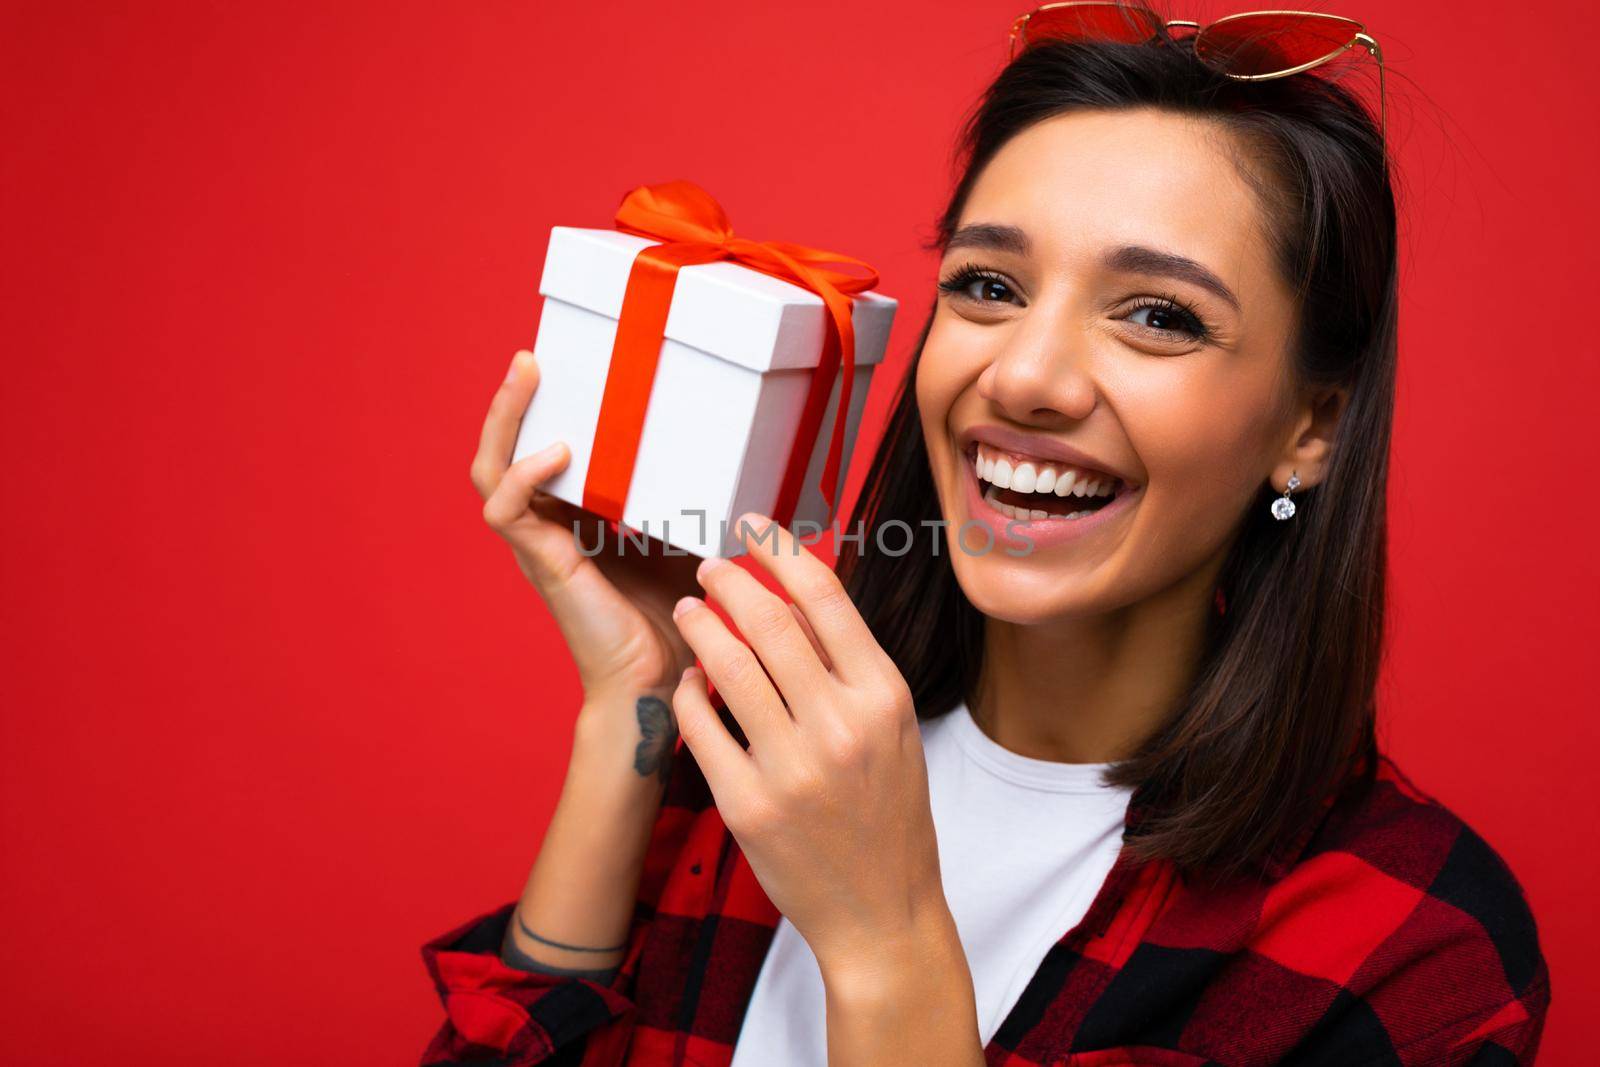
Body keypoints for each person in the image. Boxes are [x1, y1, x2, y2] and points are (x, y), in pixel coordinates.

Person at [424, 12, 1550, 1066]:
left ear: (1310, 428)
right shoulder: (754, 749)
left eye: (1156, 314)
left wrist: (888, 942)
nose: (1020, 375)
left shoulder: (1410, 946)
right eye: (989, 285)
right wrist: (638, 694)